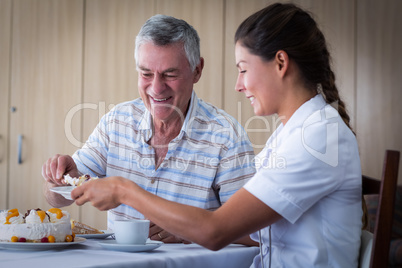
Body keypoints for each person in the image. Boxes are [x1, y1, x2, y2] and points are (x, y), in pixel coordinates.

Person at [70, 3, 362, 267]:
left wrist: (124, 190)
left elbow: (215, 231)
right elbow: (249, 228)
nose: (238, 84)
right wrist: (186, 225)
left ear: (281, 64)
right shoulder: (294, 132)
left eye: (243, 69)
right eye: (146, 73)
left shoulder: (317, 137)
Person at [42, 14, 256, 244]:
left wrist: (191, 230)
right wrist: (60, 179)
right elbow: (57, 198)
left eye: (170, 75)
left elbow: (255, 232)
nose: (156, 88)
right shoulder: (116, 122)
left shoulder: (226, 135)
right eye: (146, 73)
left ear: (197, 70)